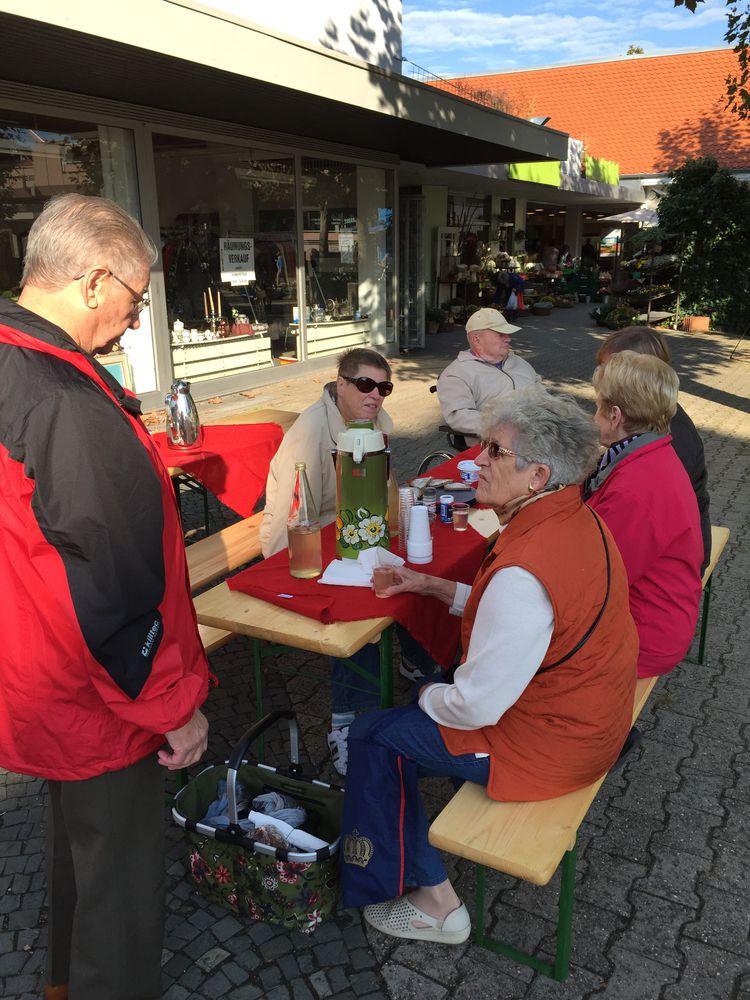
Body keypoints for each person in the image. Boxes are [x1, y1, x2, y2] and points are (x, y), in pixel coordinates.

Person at [0, 194, 210, 1000]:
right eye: (137, 297)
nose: (133, 319)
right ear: (93, 282)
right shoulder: (63, 400)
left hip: (35, 682)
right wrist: (172, 707)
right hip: (98, 699)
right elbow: (112, 589)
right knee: (118, 890)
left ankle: (60, 984)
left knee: (75, 856)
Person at [341, 387, 638, 944]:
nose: (476, 460)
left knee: (376, 734)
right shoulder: (574, 518)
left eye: (494, 451)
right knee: (418, 706)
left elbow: (478, 698)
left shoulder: (525, 571)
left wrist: (426, 696)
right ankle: (405, 815)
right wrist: (431, 585)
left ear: (536, 475)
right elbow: (525, 621)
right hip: (592, 716)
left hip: (554, 744)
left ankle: (436, 904)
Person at [260, 348, 431, 775]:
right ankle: (345, 720)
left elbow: (384, 486)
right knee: (357, 609)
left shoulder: (374, 425)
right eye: (365, 385)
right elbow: (290, 512)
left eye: (384, 388)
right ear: (341, 385)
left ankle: (417, 656)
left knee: (416, 573)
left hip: (360, 535)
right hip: (314, 547)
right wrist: (288, 584)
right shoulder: (311, 432)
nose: (376, 395)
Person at [585, 351, 703, 678]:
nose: (594, 417)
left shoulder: (635, 488)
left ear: (615, 416)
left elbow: (597, 580)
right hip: (655, 620)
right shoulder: (654, 451)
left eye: (597, 407)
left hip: (642, 636)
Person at [596, 326, 711, 574]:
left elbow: (609, 571)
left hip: (672, 573)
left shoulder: (644, 476)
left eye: (611, 368)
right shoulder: (654, 432)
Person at [436, 307, 539, 441]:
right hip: (494, 444)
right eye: (501, 334)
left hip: (537, 433)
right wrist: (506, 426)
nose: (508, 339)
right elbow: (460, 417)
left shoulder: (517, 361)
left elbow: (540, 388)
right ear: (477, 340)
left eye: (507, 334)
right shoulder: (457, 374)